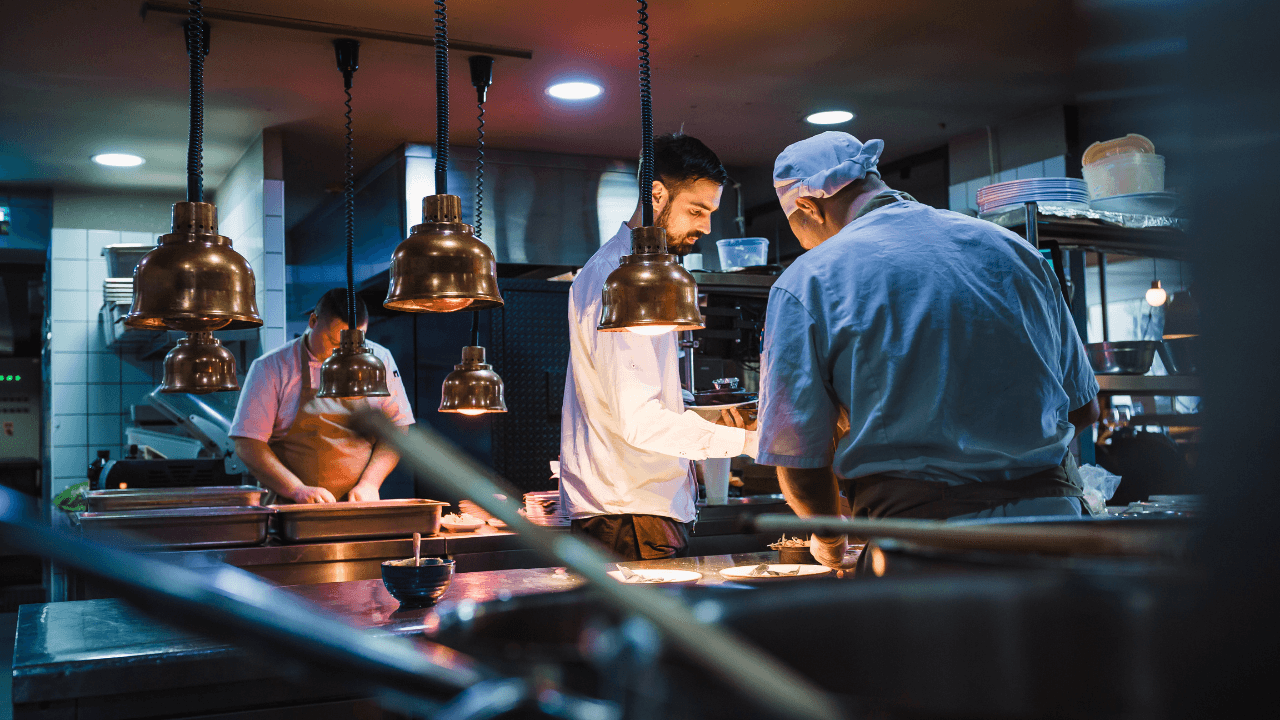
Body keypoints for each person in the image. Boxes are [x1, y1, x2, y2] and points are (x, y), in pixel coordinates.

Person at [757, 131, 1100, 567]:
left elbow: (799, 459)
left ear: (808, 208)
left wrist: (829, 540)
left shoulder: (808, 280)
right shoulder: (1015, 251)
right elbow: (1083, 410)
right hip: (1055, 531)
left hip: (923, 544)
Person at [561, 132, 758, 560]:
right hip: (629, 519)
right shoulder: (621, 280)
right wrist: (753, 443)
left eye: (711, 212)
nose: (706, 226)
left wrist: (706, 413)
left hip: (631, 514)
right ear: (656, 193)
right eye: (696, 210)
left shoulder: (639, 275)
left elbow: (638, 403)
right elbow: (641, 423)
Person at [230, 289, 414, 503]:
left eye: (355, 344)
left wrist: (371, 483)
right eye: (335, 342)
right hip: (291, 509)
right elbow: (248, 443)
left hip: (359, 505)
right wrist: (297, 489)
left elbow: (398, 427)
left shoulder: (380, 360)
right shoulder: (271, 367)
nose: (343, 354)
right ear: (313, 321)